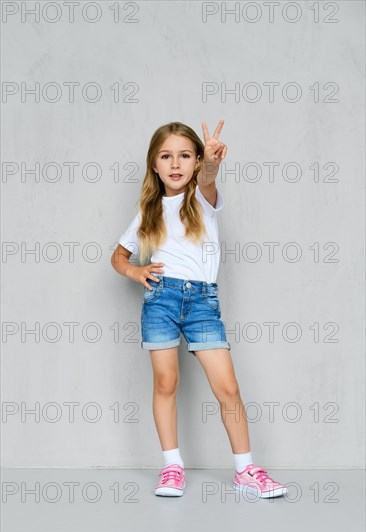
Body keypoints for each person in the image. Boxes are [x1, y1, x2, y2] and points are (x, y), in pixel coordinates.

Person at [111, 120, 288, 499]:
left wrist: (210, 161)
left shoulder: (202, 199)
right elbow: (119, 256)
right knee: (166, 383)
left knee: (228, 387)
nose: (176, 164)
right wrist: (134, 270)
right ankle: (172, 466)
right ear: (154, 165)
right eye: (166, 156)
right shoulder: (149, 210)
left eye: (185, 156)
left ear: (194, 163)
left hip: (202, 302)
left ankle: (245, 470)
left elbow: (209, 176)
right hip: (161, 300)